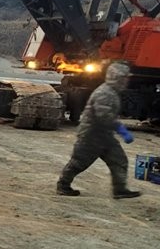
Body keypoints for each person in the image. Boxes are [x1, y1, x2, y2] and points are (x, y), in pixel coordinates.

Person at [57, 62, 141, 199]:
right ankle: (63, 185)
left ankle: (120, 190)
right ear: (117, 77)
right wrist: (121, 129)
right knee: (79, 162)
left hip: (104, 136)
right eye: (125, 78)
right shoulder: (105, 93)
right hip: (91, 135)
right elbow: (104, 117)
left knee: (119, 160)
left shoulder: (112, 92)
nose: (127, 80)